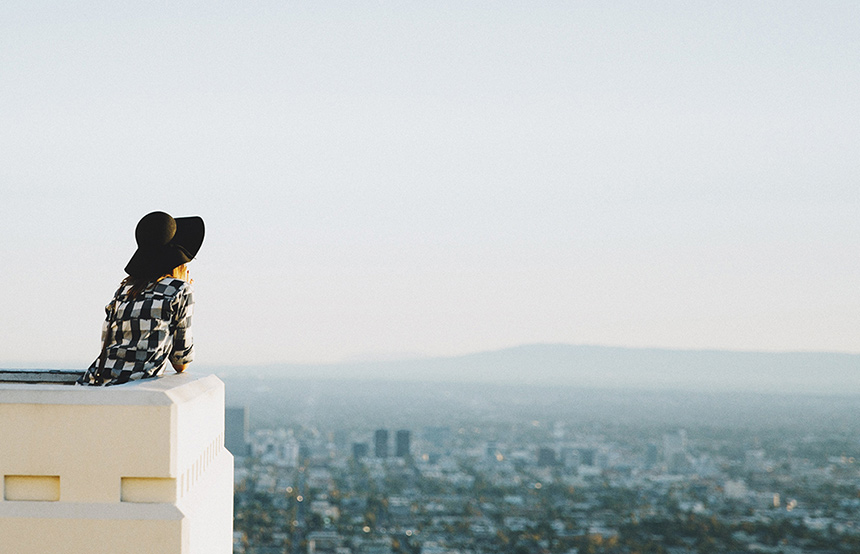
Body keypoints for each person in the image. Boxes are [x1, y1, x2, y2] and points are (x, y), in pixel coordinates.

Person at [78, 211, 205, 386]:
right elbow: (181, 363)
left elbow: (108, 348)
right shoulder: (180, 290)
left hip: (93, 383)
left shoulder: (124, 290)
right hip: (132, 389)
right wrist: (182, 286)